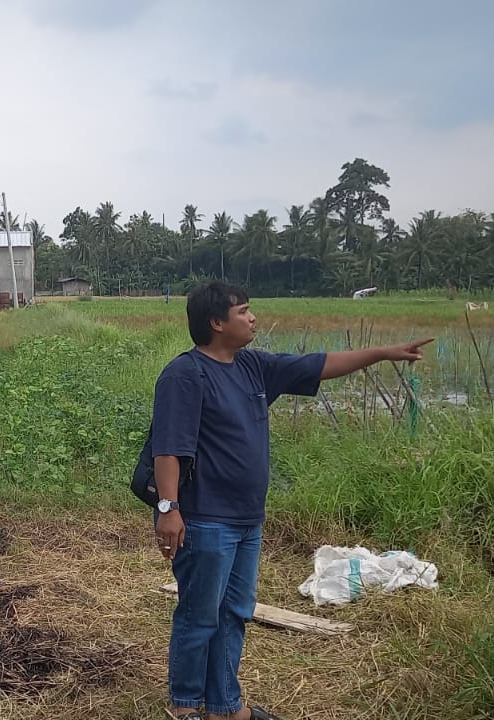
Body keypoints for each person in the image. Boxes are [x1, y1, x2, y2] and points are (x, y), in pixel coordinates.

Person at [146, 281, 431, 720]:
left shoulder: (253, 366)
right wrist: (169, 509)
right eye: (244, 311)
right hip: (205, 520)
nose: (253, 318)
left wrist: (381, 353)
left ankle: (224, 706)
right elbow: (169, 448)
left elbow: (320, 364)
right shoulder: (186, 374)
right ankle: (184, 707)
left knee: (234, 613)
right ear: (217, 322)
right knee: (199, 616)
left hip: (246, 520)